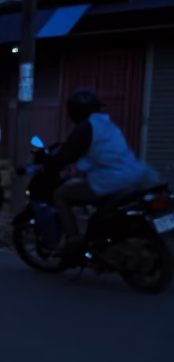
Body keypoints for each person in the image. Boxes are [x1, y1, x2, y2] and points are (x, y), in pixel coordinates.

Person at [52, 88, 157, 251]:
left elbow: (65, 156)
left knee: (60, 195)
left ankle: (74, 238)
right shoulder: (108, 125)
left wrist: (50, 165)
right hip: (138, 175)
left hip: (111, 180)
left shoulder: (85, 128)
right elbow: (95, 156)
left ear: (74, 111)